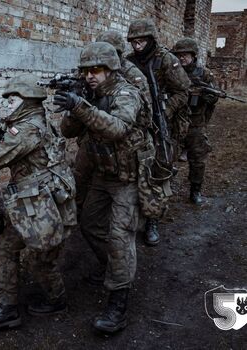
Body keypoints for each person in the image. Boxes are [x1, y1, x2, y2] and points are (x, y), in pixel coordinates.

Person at [0, 73, 77, 332]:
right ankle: (8, 308)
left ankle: (57, 300)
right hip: (33, 201)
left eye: (13, 99)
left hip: (41, 206)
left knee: (40, 260)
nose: (7, 103)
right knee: (5, 246)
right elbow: (8, 144)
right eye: (8, 99)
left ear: (28, 100)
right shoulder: (31, 121)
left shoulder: (28, 129)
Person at [55, 42, 154, 334]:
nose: (89, 76)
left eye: (96, 70)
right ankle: (110, 266)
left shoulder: (126, 93)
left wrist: (81, 106)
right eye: (85, 71)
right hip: (102, 174)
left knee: (120, 236)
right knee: (89, 224)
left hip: (127, 178)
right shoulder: (91, 94)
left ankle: (118, 305)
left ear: (111, 69)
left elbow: (118, 129)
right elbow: (67, 131)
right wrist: (75, 105)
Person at [126, 18, 191, 245]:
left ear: (151, 40)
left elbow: (183, 91)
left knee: (159, 170)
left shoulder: (166, 60)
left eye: (141, 41)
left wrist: (166, 111)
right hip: (136, 125)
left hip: (160, 125)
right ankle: (132, 213)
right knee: (134, 169)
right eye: (133, 42)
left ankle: (153, 219)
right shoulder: (129, 62)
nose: (137, 46)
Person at [172, 37, 218, 204]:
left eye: (185, 55)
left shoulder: (204, 73)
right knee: (166, 155)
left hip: (195, 123)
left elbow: (214, 98)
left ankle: (195, 190)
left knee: (198, 158)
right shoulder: (172, 71)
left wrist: (204, 93)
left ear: (193, 55)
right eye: (179, 55)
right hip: (174, 121)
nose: (182, 58)